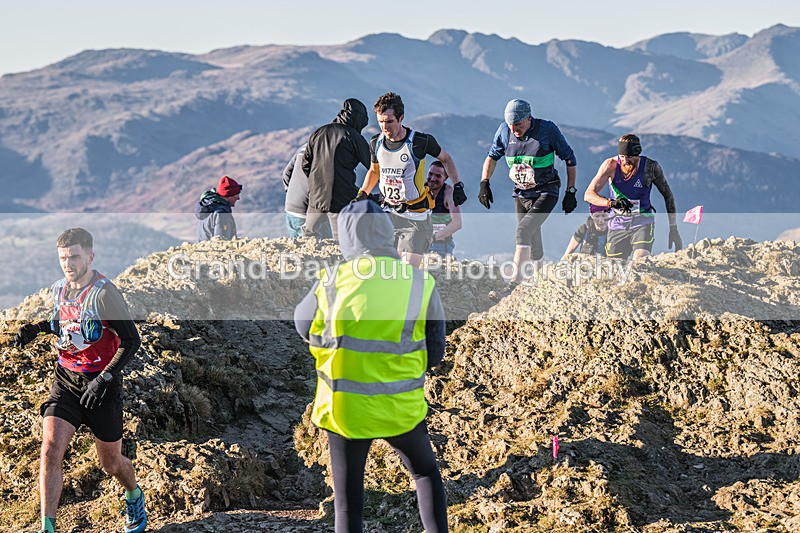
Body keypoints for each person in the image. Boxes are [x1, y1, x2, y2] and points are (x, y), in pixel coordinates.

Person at [294, 199, 448, 533]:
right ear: (388, 233)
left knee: (347, 504)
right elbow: (435, 354)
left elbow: (303, 327)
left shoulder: (331, 281)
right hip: (401, 408)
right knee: (424, 473)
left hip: (344, 410)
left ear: (346, 237)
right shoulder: (419, 282)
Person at [12, 228, 146, 533]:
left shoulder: (104, 294)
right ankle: (47, 527)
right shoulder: (59, 288)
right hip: (66, 380)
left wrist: (104, 379)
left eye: (74, 256)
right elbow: (63, 322)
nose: (68, 263)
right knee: (50, 450)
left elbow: (131, 340)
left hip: (102, 385)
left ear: (90, 256)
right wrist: (36, 328)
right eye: (63, 258)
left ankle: (133, 494)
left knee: (111, 464)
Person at [479, 98, 578, 293]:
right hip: (521, 193)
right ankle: (541, 280)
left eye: (518, 124)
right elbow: (492, 157)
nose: (514, 129)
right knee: (532, 236)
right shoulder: (504, 131)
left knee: (523, 231)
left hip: (546, 190)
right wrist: (484, 182)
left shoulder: (547, 130)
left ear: (529, 119)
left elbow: (570, 158)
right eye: (511, 124)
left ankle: (514, 284)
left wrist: (570, 191)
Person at [358, 92, 467, 268]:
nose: (384, 127)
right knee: (384, 269)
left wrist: (457, 185)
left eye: (389, 121)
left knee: (407, 272)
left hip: (415, 218)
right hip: (388, 214)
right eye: (380, 121)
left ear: (401, 118)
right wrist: (362, 194)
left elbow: (446, 159)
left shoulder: (419, 142)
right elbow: (374, 171)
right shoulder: (376, 142)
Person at [584, 134, 682, 259]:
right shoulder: (610, 165)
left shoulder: (650, 167)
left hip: (643, 220)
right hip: (617, 223)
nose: (625, 161)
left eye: (629, 157)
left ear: (637, 154)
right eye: (622, 156)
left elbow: (668, 196)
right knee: (615, 264)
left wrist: (673, 228)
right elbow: (588, 195)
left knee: (640, 258)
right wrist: (611, 203)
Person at [302, 98, 372, 240]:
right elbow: (374, 166)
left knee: (308, 233)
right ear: (359, 118)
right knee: (341, 239)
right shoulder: (354, 137)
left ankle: (307, 254)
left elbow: (305, 164)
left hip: (317, 194)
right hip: (342, 196)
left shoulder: (319, 132)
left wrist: (316, 181)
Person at [283, 143, 331, 239]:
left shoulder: (304, 147)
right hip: (311, 211)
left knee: (297, 246)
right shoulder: (329, 151)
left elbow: (286, 173)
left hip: (291, 207)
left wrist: (291, 194)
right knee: (325, 244)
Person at [426, 160, 463, 256]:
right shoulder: (420, 189)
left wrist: (433, 238)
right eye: (430, 174)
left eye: (438, 176)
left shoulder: (449, 193)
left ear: (445, 178)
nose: (433, 178)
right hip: (418, 243)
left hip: (440, 245)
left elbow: (457, 223)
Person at [195, 175, 242, 242]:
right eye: (236, 195)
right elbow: (221, 241)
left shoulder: (208, 208)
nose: (238, 198)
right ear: (229, 196)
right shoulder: (221, 213)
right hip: (213, 249)